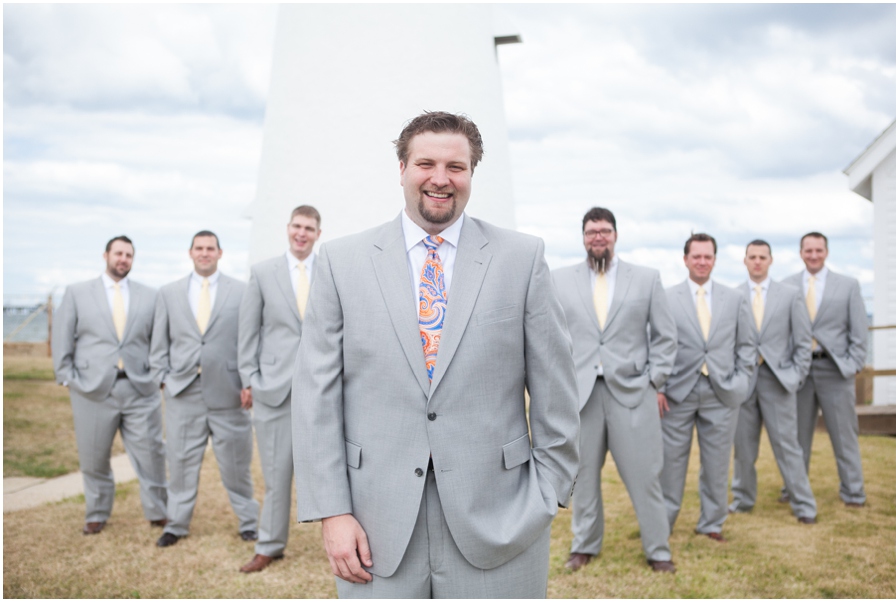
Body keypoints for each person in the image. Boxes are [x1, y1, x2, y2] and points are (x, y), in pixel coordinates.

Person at [292, 111, 580, 598]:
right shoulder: (342, 263)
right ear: (402, 168)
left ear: (472, 173)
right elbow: (316, 396)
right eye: (426, 163)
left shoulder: (522, 258)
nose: (441, 179)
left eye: (457, 166)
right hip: (373, 523)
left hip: (501, 517)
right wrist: (333, 511)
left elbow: (556, 386)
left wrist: (548, 492)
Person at [552, 207, 677, 574]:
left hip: (633, 393)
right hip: (582, 395)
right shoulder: (560, 279)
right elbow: (552, 337)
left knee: (645, 476)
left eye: (604, 230)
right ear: (583, 237)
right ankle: (584, 545)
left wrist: (655, 381)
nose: (598, 237)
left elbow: (666, 337)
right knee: (583, 477)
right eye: (591, 232)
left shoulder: (647, 278)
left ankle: (658, 549)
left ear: (616, 235)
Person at [52, 236, 168, 535]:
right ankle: (97, 512)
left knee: (152, 453)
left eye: (129, 255)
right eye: (118, 253)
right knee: (94, 457)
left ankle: (158, 511)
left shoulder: (150, 296)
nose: (123, 259)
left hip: (140, 388)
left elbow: (158, 341)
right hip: (91, 390)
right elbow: (62, 336)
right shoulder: (77, 293)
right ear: (106, 255)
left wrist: (157, 376)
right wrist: (66, 375)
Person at [150, 231, 259, 547]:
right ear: (190, 253)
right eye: (199, 248)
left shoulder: (241, 291)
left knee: (237, 463)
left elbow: (249, 339)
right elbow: (159, 342)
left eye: (210, 248)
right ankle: (177, 524)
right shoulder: (168, 293)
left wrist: (248, 381)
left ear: (220, 253)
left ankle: (249, 522)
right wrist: (164, 378)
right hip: (183, 390)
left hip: (229, 390)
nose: (205, 253)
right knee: (181, 461)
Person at [236, 205, 322, 572]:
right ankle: (269, 545)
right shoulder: (263, 273)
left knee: (337, 470)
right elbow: (247, 332)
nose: (302, 233)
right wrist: (248, 379)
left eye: (310, 228)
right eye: (297, 226)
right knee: (276, 473)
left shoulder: (331, 270)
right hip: (273, 388)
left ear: (319, 233)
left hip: (322, 387)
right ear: (288, 229)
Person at [659, 233, 755, 542]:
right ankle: (663, 523)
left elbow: (747, 344)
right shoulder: (666, 297)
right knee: (671, 464)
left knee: (716, 463)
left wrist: (740, 382)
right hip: (676, 394)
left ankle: (712, 524)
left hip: (722, 392)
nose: (702, 261)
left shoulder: (735, 298)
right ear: (685, 259)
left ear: (714, 259)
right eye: (696, 256)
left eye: (708, 256)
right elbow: (656, 343)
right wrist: (658, 387)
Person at [729, 240, 817, 523]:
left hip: (779, 380)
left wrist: (796, 375)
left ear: (771, 260)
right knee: (743, 447)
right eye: (752, 257)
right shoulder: (733, 296)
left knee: (788, 446)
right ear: (745, 261)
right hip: (744, 381)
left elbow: (804, 342)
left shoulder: (790, 295)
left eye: (762, 257)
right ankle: (742, 499)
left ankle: (804, 505)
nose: (757, 261)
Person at [782, 232, 867, 507]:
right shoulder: (787, 286)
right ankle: (794, 490)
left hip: (835, 370)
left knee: (844, 435)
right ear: (801, 253)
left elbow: (859, 329)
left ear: (826, 252)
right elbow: (781, 331)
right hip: (800, 373)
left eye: (819, 250)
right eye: (808, 250)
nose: (814, 255)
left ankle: (854, 493)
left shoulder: (848, 285)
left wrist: (854, 363)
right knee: (796, 437)